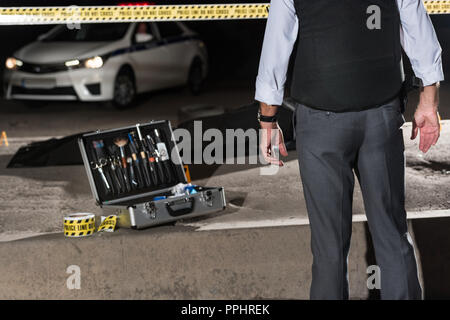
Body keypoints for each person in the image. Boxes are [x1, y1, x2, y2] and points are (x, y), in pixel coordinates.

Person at [255, 0, 443, 300]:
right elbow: (416, 27)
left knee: (328, 249)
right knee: (393, 236)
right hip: (380, 116)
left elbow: (276, 46)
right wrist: (429, 101)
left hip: (321, 124)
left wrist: (268, 118)